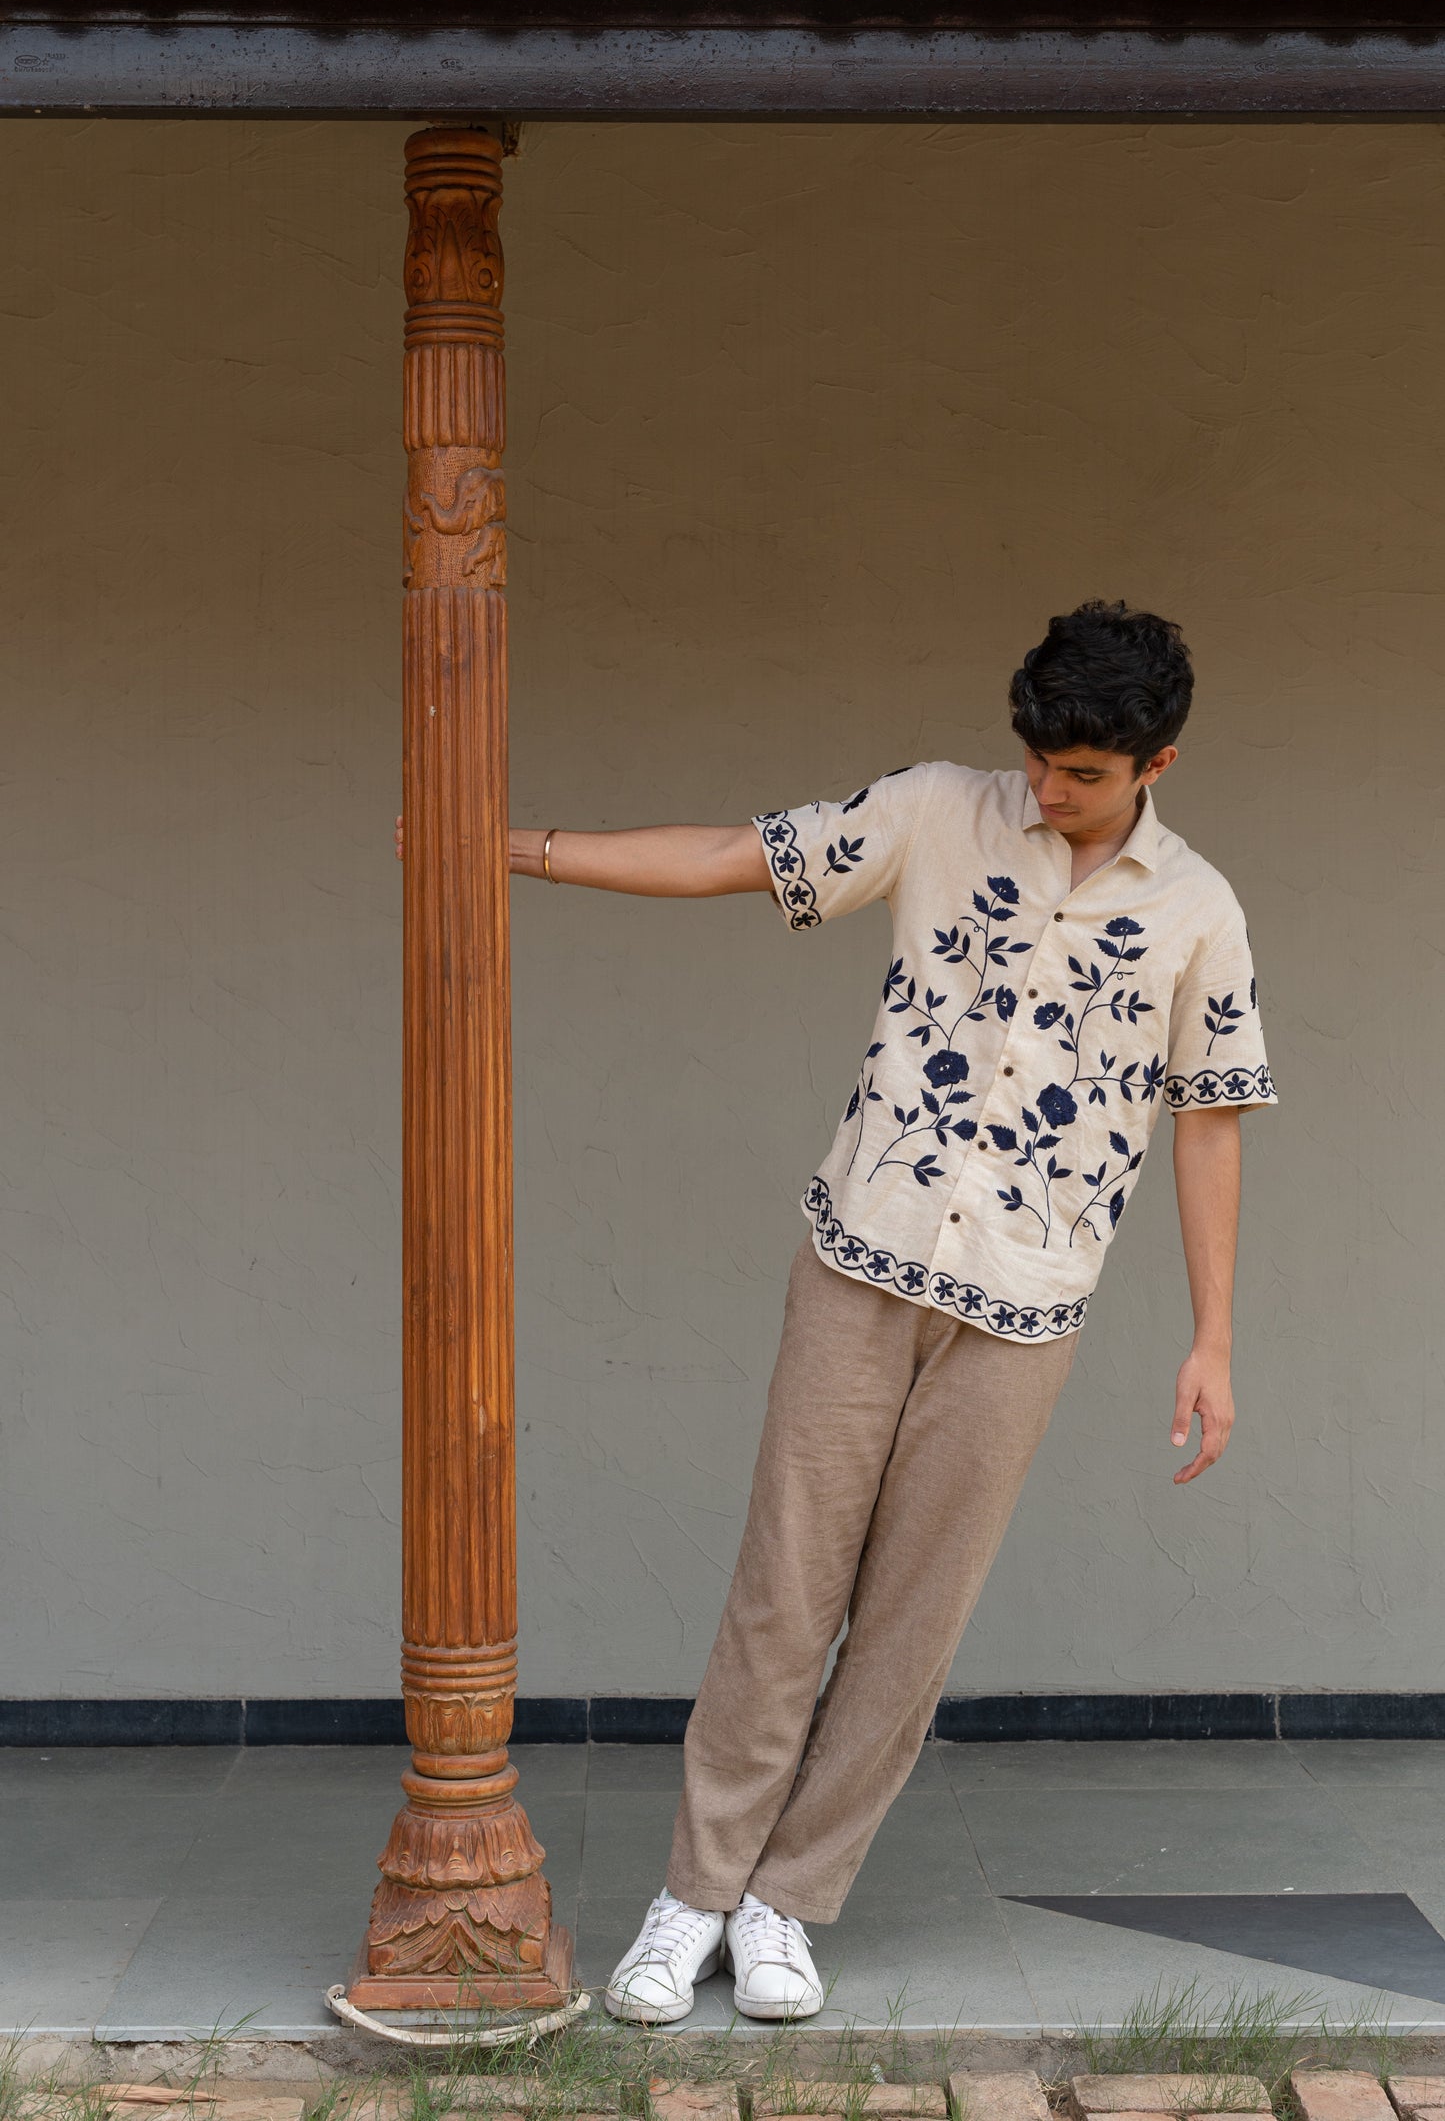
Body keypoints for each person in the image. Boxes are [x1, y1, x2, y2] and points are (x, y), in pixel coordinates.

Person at [393, 599, 1277, 2026]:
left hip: (1026, 1307)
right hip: (859, 1257)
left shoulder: (1198, 913)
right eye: (1038, 763)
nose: (1048, 794)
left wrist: (1212, 1340)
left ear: (1155, 764)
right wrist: (523, 852)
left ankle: (789, 1904)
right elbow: (742, 855)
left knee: (913, 1626)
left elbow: (1211, 1121)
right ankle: (690, 1900)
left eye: (1084, 776)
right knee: (783, 1593)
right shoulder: (936, 812)